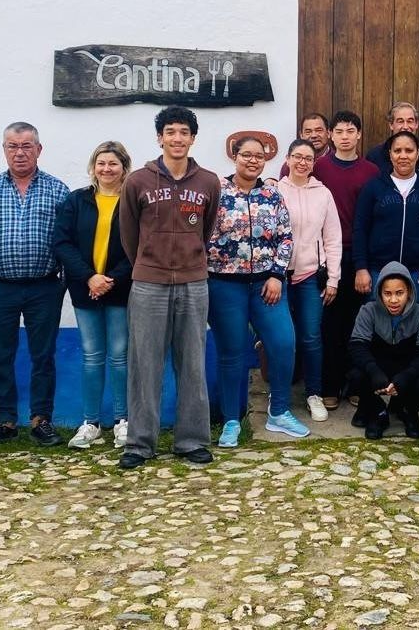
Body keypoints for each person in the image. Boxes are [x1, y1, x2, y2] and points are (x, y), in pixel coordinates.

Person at [117, 107, 220, 469]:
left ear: (193, 138)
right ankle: (140, 443)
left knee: (192, 362)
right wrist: (148, 262)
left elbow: (205, 231)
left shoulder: (208, 182)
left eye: (184, 132)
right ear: (159, 137)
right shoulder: (138, 182)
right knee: (144, 364)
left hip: (194, 282)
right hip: (148, 284)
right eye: (170, 131)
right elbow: (128, 234)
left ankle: (191, 441)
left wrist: (190, 260)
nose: (177, 138)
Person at [0, 122, 69, 447]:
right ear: (4, 150)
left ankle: (41, 420)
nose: (20, 152)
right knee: (0, 356)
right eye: (13, 146)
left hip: (44, 287)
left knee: (43, 355)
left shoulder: (57, 189)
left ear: (39, 149)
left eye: (27, 146)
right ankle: (5, 421)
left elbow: (66, 239)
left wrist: (62, 282)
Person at [208, 135, 305, 446]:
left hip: (267, 285)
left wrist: (277, 275)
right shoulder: (218, 192)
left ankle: (278, 411)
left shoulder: (272, 194)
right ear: (234, 157)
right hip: (225, 285)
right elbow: (199, 234)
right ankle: (232, 421)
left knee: (283, 343)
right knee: (232, 353)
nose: (252, 160)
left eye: (258, 156)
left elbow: (286, 237)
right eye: (246, 155)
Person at [52, 141, 133, 450]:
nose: (106, 169)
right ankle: (91, 423)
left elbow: (137, 246)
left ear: (124, 168)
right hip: (86, 290)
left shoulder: (131, 202)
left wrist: (111, 279)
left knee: (119, 357)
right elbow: (62, 242)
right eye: (101, 163)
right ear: (93, 167)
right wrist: (89, 276)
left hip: (120, 290)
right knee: (91, 357)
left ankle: (122, 422)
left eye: (113, 163)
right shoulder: (76, 201)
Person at [314, 111, 380, 409]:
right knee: (329, 323)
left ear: (359, 135)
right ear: (330, 135)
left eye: (350, 130)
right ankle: (329, 386)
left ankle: (356, 384)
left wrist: (364, 263)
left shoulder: (371, 172)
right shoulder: (318, 168)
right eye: (338, 130)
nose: (344, 136)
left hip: (358, 255)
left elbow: (373, 220)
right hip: (325, 257)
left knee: (357, 324)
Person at [276, 139, 342, 423]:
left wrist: (333, 279)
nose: (303, 162)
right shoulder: (275, 190)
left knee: (311, 337)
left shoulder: (323, 193)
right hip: (277, 277)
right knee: (280, 339)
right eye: (297, 157)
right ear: (288, 160)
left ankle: (313, 393)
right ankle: (279, 395)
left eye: (308, 158)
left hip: (309, 276)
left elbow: (333, 238)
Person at [353, 131, 419, 306]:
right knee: (379, 327)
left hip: (417, 273)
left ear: (418, 154)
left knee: (414, 327)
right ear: (390, 155)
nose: (403, 156)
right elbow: (360, 229)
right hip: (378, 271)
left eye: (409, 150)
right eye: (397, 151)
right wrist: (361, 268)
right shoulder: (373, 187)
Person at [348, 262, 419, 439]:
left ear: (409, 292)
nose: (393, 300)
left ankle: (406, 410)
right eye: (387, 294)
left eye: (399, 293)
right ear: (379, 293)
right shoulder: (368, 311)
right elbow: (357, 347)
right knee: (355, 375)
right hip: (378, 368)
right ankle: (377, 410)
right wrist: (374, 371)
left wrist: (407, 376)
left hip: (406, 369)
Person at [364, 102, 419, 182]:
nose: (405, 127)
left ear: (416, 124)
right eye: (400, 121)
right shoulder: (374, 156)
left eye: (410, 121)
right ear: (391, 125)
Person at [277, 113, 333, 178]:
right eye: (308, 132)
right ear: (301, 135)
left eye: (318, 130)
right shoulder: (291, 166)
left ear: (328, 133)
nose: (314, 135)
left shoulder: (337, 161)